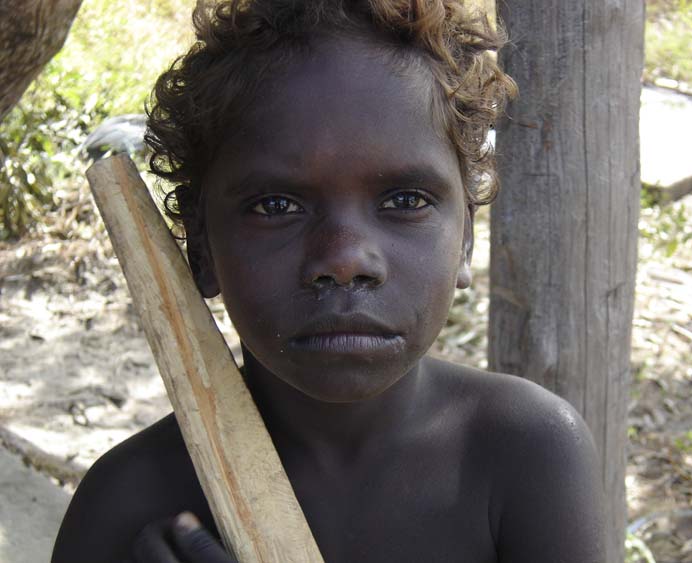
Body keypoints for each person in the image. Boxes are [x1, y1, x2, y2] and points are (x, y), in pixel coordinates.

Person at [52, 1, 604, 561]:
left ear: (464, 237)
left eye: (405, 200)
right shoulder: (125, 505)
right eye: (275, 205)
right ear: (201, 247)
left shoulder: (528, 456)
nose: (344, 259)